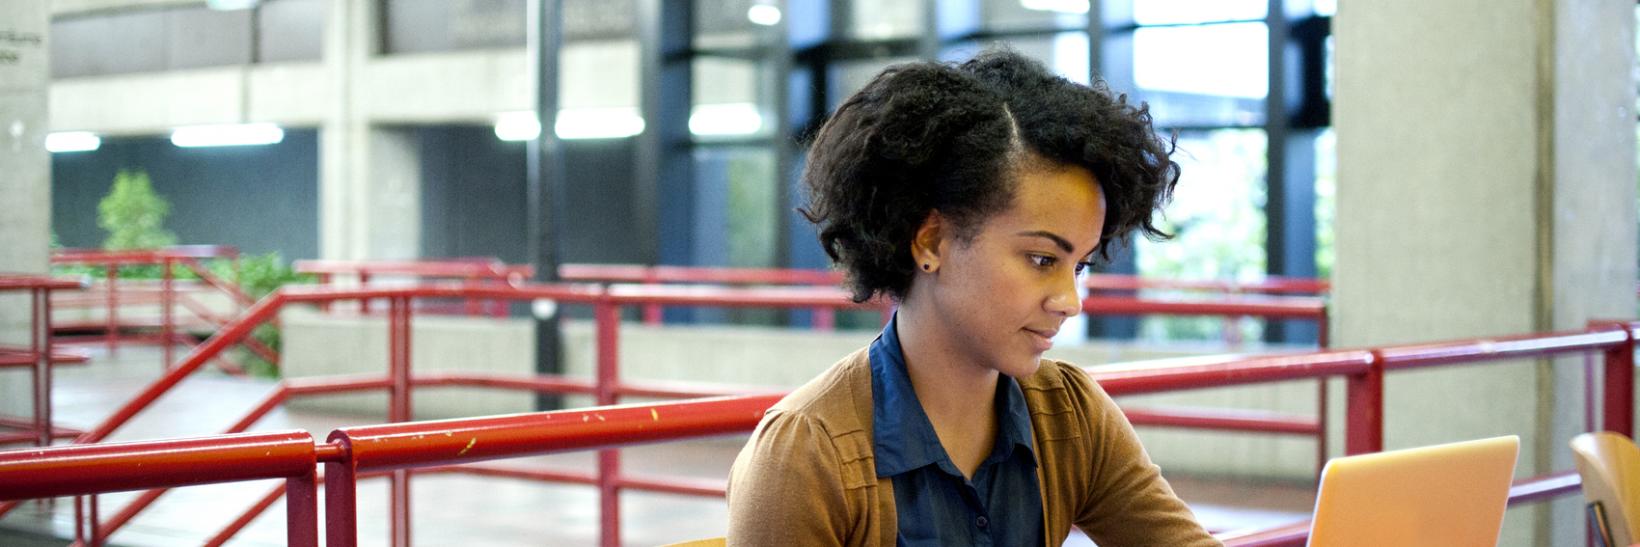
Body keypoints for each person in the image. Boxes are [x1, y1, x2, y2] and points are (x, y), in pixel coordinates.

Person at [725, 49, 1220, 547]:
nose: (1071, 300)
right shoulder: (807, 453)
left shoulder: (1069, 414)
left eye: (1081, 265)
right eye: (1043, 260)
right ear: (931, 242)